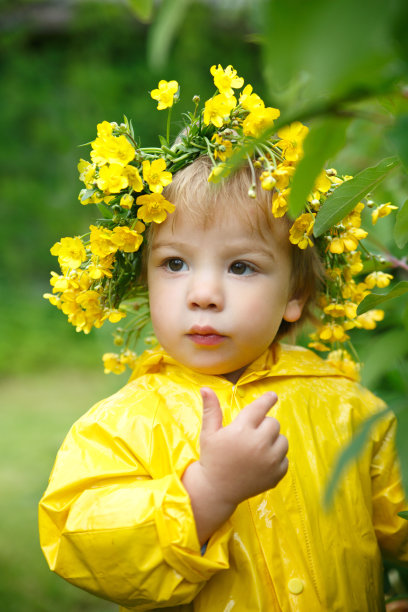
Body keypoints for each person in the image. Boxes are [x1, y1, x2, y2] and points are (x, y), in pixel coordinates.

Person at [39, 66, 407, 611]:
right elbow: (83, 545)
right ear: (144, 278)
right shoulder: (120, 427)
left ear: (294, 295)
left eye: (240, 267)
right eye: (176, 263)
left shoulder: (352, 408)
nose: (204, 294)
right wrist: (208, 491)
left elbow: (395, 528)